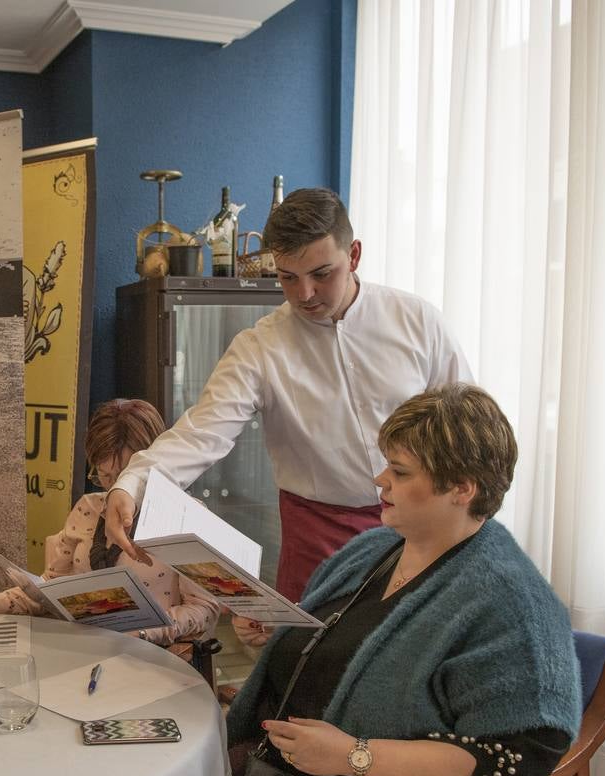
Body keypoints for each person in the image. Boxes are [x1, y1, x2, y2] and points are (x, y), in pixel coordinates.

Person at [225, 384, 581, 776]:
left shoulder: (510, 605)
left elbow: (518, 756)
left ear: (462, 488)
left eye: (401, 472)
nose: (380, 480)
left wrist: (353, 757)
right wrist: (274, 638)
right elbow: (342, 654)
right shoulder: (374, 548)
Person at [105, 189, 471, 616]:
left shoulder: (417, 320)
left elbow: (464, 426)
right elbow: (201, 432)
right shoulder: (259, 347)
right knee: (308, 668)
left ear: (353, 255)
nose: (305, 293)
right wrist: (132, 483)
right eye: (288, 277)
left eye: (321, 273)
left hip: (420, 525)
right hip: (317, 536)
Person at [0, 399, 218, 653]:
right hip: (83, 653)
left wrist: (140, 633)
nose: (112, 487)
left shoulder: (186, 515)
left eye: (124, 476)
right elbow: (51, 590)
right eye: (104, 476)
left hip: (154, 659)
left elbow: (204, 609)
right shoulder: (88, 508)